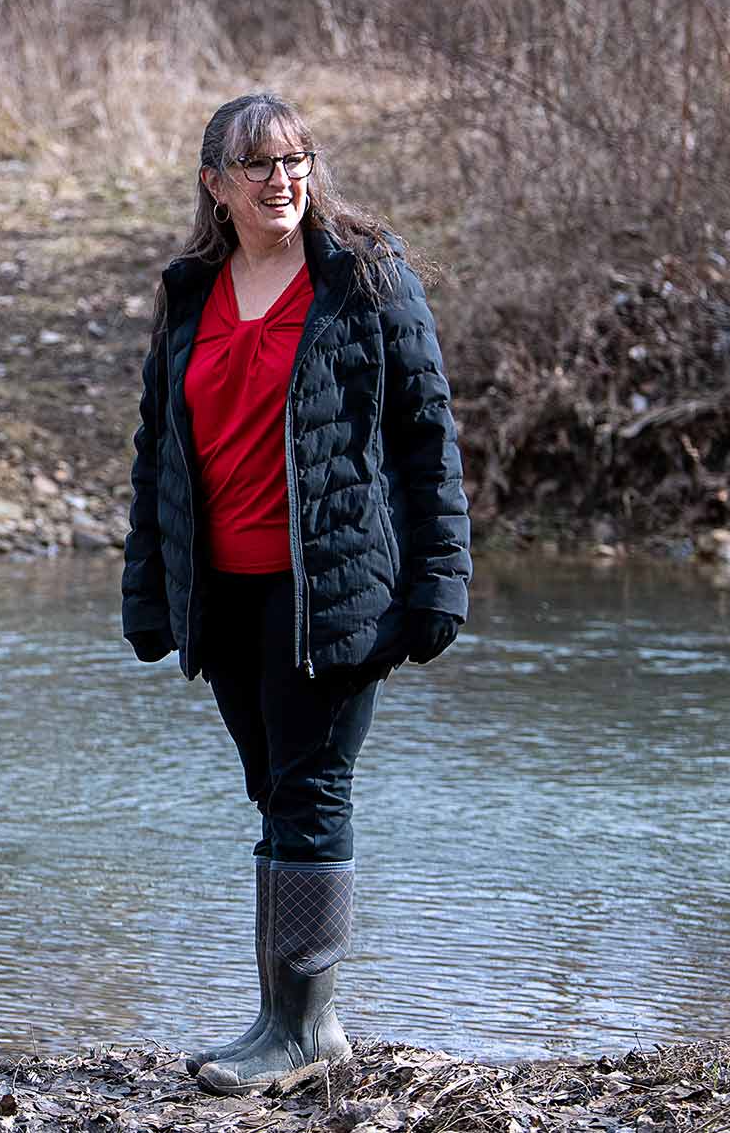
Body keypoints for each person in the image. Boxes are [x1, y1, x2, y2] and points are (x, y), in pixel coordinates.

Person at [122, 92, 471, 1097]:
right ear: (215, 185)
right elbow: (162, 452)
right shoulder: (191, 288)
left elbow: (425, 433)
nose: (281, 182)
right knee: (274, 794)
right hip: (223, 588)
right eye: (258, 166)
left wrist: (439, 580)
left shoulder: (365, 276)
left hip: (334, 589)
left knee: (313, 793)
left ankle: (302, 1030)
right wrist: (149, 592)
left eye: (295, 161)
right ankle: (286, 1021)